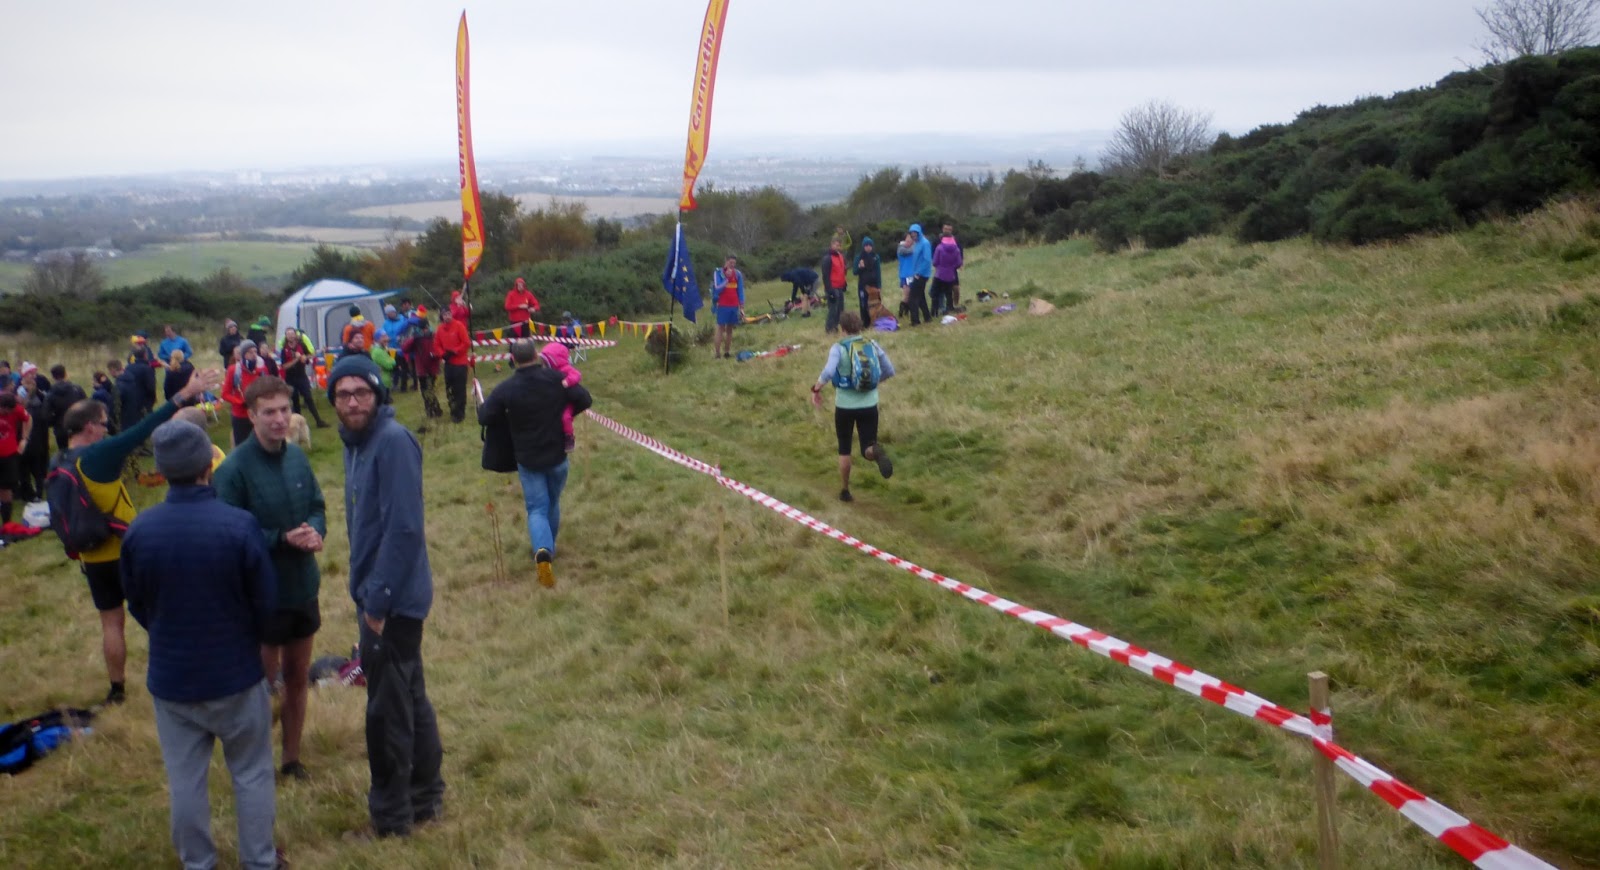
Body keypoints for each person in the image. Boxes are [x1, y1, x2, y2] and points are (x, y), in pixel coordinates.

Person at [120, 419, 282, 870]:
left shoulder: (140, 531)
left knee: (185, 780)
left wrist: (167, 632)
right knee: (251, 773)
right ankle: (259, 861)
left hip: (173, 679)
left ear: (162, 470)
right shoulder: (239, 525)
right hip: (236, 673)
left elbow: (137, 602)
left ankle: (198, 862)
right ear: (208, 465)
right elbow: (265, 601)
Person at [326, 353, 444, 838]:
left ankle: (392, 819)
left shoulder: (392, 441)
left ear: (377, 394)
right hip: (381, 593)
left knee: (386, 714)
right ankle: (426, 798)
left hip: (391, 600)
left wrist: (377, 603)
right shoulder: (356, 443)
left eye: (361, 392)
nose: (352, 402)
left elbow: (404, 529)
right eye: (343, 394)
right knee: (409, 696)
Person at [56, 367, 222, 704]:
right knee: (162, 615)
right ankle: (189, 670)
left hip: (91, 556)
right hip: (127, 550)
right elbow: (142, 430)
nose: (107, 430)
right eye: (104, 424)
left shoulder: (58, 461)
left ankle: (117, 690)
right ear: (89, 427)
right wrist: (185, 394)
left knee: (111, 623)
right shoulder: (97, 457)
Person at [215, 376, 327, 782]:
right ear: (251, 415)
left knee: (298, 676)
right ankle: (255, 764)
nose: (279, 419)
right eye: (269, 413)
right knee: (260, 685)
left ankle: (292, 758)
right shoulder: (233, 470)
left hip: (303, 586)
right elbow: (227, 533)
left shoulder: (296, 457)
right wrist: (280, 538)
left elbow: (316, 504)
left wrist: (315, 531)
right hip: (261, 595)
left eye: (284, 410)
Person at [477, 340, 593, 588]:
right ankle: (549, 548)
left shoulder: (506, 388)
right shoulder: (557, 379)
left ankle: (543, 551)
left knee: (537, 508)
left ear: (513, 359)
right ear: (536, 355)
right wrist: (565, 414)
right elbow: (585, 399)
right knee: (552, 502)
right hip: (558, 455)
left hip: (528, 459)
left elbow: (485, 416)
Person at [811, 311, 896, 502]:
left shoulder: (838, 348)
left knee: (844, 448)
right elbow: (889, 370)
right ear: (859, 327)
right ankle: (875, 451)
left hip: (844, 406)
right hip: (869, 404)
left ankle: (845, 490)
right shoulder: (871, 344)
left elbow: (828, 372)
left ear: (842, 329)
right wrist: (873, 384)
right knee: (867, 446)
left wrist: (816, 389)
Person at [277, 327, 328, 429]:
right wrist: (297, 359)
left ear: (295, 334)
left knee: (308, 397)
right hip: (290, 378)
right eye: (288, 334)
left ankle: (318, 421)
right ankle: (299, 424)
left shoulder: (301, 345)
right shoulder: (284, 350)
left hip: (302, 376)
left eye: (292, 334)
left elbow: (310, 355)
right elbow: (284, 366)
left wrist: (305, 358)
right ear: (286, 336)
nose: (291, 336)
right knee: (295, 400)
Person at [540, 342, 584, 453]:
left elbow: (577, 375)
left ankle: (569, 437)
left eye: (546, 361)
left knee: (565, 417)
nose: (544, 364)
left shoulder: (565, 369)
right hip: (553, 400)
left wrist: (567, 382)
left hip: (566, 401)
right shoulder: (547, 372)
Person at [223, 340, 267, 449]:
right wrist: (240, 402)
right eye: (250, 352)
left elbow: (267, 388)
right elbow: (225, 394)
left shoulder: (262, 369)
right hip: (240, 415)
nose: (254, 355)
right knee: (242, 447)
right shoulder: (234, 370)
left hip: (258, 414)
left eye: (255, 351)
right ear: (243, 354)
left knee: (262, 445)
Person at [19, 371, 52, 502]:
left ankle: (28, 494)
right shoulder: (40, 406)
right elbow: (45, 427)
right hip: (37, 443)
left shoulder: (21, 410)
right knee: (37, 470)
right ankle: (38, 493)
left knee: (25, 471)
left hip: (24, 443)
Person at [436, 307, 471, 424]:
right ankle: (453, 410)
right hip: (448, 363)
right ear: (442, 317)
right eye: (444, 315)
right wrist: (442, 354)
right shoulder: (440, 329)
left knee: (459, 388)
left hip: (460, 362)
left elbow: (466, 343)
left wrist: (455, 351)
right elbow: (436, 345)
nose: (447, 316)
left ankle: (460, 413)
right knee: (449, 388)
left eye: (448, 314)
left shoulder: (459, 326)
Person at [0, 391, 31, 525]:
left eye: (10, 411)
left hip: (9, 455)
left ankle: (7, 524)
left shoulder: (16, 409)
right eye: (5, 411)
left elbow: (28, 418)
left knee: (6, 489)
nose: (8, 414)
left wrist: (24, 438)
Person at [402, 318, 442, 419]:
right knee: (426, 391)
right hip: (422, 369)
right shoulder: (416, 338)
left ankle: (434, 410)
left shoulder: (434, 336)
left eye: (425, 328)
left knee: (430, 390)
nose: (424, 330)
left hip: (431, 368)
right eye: (422, 329)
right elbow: (405, 349)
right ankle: (432, 411)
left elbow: (440, 349)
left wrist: (435, 355)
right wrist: (413, 338)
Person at [47, 364, 87, 451]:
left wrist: (54, 422)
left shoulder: (51, 393)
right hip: (77, 426)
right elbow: (86, 406)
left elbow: (46, 414)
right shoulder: (77, 389)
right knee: (78, 451)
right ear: (65, 374)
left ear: (53, 377)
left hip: (60, 428)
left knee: (64, 452)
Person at [711, 256, 745, 360]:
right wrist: (727, 279)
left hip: (734, 305)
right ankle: (717, 353)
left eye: (734, 263)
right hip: (722, 305)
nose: (732, 265)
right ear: (726, 262)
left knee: (730, 329)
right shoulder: (718, 272)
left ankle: (727, 352)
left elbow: (740, 290)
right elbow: (717, 288)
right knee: (720, 328)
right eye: (730, 263)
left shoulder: (738, 274)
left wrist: (741, 306)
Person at [902, 224, 933, 325]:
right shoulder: (917, 243)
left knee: (912, 298)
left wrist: (918, 273)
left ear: (919, 233)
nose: (913, 236)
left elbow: (927, 260)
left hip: (921, 274)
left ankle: (915, 321)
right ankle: (927, 317)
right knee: (921, 296)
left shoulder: (925, 243)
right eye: (912, 234)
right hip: (917, 273)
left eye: (915, 234)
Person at [931, 226, 964, 318]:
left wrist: (940, 266)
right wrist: (952, 267)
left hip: (940, 274)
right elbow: (959, 263)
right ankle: (950, 308)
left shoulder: (939, 248)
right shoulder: (956, 249)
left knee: (935, 293)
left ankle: (934, 311)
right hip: (951, 274)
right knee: (948, 293)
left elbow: (934, 262)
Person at [123, 342, 158, 428]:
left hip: (132, 399)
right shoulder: (147, 368)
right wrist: (153, 398)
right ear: (145, 355)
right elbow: (151, 387)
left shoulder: (128, 367)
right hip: (145, 400)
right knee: (149, 421)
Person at [821, 238, 849, 335]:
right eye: (836, 245)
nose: (838, 247)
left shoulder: (841, 256)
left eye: (839, 245)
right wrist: (829, 290)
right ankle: (829, 328)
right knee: (833, 309)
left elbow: (842, 271)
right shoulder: (827, 258)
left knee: (840, 309)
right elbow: (825, 275)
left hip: (840, 286)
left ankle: (836, 327)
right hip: (832, 287)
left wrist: (844, 283)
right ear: (832, 245)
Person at [854, 237, 883, 325]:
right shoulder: (859, 257)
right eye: (866, 245)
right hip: (863, 285)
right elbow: (855, 272)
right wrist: (860, 267)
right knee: (864, 304)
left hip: (873, 284)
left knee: (875, 303)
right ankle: (865, 322)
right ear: (863, 247)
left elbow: (878, 272)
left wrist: (879, 285)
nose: (868, 247)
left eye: (870, 245)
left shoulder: (876, 257)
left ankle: (876, 321)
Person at [942, 223, 964, 309]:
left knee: (956, 288)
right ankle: (945, 306)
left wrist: (960, 263)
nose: (947, 231)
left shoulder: (955, 240)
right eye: (945, 229)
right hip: (942, 268)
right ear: (942, 229)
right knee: (944, 289)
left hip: (952, 268)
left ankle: (955, 304)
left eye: (949, 229)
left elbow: (960, 252)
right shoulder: (938, 240)